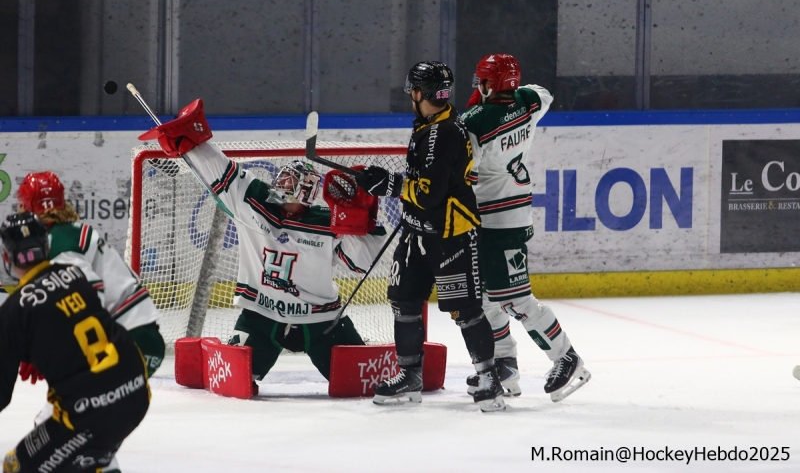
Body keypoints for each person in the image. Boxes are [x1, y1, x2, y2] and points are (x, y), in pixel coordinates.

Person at [138, 99, 387, 384]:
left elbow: (361, 264)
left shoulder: (326, 221)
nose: (281, 187)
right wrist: (191, 143)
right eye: (282, 181)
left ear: (305, 193)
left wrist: (357, 222)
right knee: (234, 381)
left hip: (320, 319)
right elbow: (221, 170)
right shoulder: (253, 200)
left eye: (290, 185)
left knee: (361, 382)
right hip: (260, 314)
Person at [357, 61, 506, 412]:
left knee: (466, 310)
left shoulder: (444, 133)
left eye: (412, 89)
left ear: (420, 93)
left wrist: (389, 184)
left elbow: (428, 193)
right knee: (405, 303)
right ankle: (410, 375)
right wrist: (390, 184)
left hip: (450, 235)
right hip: (417, 232)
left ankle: (489, 378)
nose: (411, 95)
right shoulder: (429, 125)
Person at [461, 53, 591, 402]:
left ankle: (567, 357)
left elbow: (465, 175)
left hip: (498, 219)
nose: (479, 86)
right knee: (485, 298)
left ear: (492, 83)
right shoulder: (529, 101)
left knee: (515, 300)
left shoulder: (474, 121)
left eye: (483, 80)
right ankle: (505, 365)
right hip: (512, 211)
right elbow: (542, 92)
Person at [0, 212, 150, 473]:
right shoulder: (75, 275)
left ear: (6, 258)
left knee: (15, 466)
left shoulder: (14, 310)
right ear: (46, 246)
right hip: (136, 390)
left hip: (89, 410)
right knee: (90, 458)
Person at [17, 171, 165, 379]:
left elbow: (88, 296)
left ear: (27, 208)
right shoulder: (67, 231)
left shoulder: (59, 244)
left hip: (130, 340)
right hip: (138, 337)